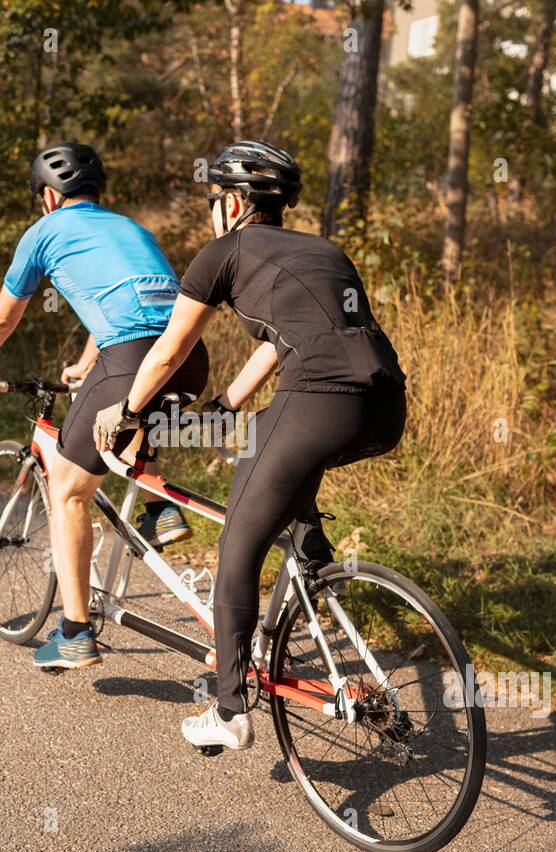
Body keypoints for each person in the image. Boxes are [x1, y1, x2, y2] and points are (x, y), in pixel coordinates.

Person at [93, 141, 407, 750]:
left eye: (216, 199)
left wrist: (130, 411)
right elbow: (284, 338)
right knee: (269, 443)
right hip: (384, 406)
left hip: (318, 398)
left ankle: (230, 708)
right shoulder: (324, 251)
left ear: (233, 203)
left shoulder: (223, 252)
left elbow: (171, 347)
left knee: (237, 545)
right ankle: (312, 551)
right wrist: (230, 406)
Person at [0, 142, 208, 670]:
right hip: (188, 358)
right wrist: (89, 358)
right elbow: (133, 298)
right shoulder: (132, 229)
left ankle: (73, 632)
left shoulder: (44, 231)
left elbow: (3, 314)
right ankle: (161, 510)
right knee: (130, 418)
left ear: (48, 196)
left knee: (70, 492)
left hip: (133, 357)